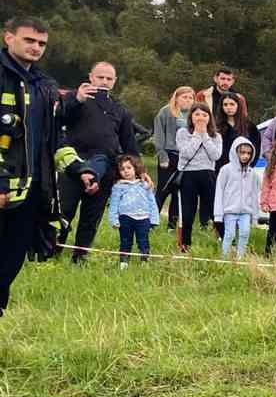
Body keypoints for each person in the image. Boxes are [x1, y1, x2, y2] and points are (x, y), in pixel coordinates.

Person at [1, 17, 95, 319]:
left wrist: (78, 168)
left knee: (8, 268)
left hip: (31, 195)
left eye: (41, 43)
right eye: (29, 40)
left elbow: (55, 139)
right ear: (8, 38)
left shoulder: (45, 86)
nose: (36, 47)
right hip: (2, 189)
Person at [57, 60, 140, 263]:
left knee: (91, 216)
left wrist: (140, 169)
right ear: (91, 77)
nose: (104, 81)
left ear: (114, 81)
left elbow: (128, 142)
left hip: (105, 168)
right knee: (64, 211)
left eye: (108, 78)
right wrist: (77, 99)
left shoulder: (120, 109)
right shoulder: (74, 97)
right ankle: (52, 251)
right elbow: (59, 119)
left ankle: (80, 256)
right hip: (74, 164)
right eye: (100, 77)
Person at [174, 103, 222, 254]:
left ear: (209, 118)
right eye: (197, 114)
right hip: (188, 175)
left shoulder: (216, 136)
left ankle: (226, 242)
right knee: (188, 213)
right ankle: (185, 246)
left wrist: (205, 135)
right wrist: (196, 134)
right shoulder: (182, 133)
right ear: (191, 117)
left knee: (215, 210)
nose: (200, 118)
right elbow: (186, 153)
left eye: (204, 115)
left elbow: (215, 155)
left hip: (207, 175)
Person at [152, 86, 194, 230]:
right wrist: (162, 156)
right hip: (168, 155)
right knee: (163, 190)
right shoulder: (165, 112)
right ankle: (152, 221)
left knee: (179, 193)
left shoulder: (194, 114)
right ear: (176, 97)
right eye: (184, 97)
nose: (187, 100)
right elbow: (158, 135)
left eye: (190, 98)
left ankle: (172, 225)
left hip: (185, 158)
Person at [106, 153, 159, 267]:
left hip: (143, 218)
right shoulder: (118, 187)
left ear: (135, 168)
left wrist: (154, 219)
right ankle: (124, 262)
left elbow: (152, 202)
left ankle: (145, 261)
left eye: (129, 168)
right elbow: (114, 204)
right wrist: (114, 220)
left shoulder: (145, 185)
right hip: (125, 218)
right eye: (122, 169)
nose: (126, 171)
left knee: (143, 241)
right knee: (125, 241)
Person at [213, 136, 260, 260]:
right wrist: (218, 214)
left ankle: (240, 258)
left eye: (249, 153)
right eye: (242, 152)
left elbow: (255, 195)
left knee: (245, 233)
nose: (246, 156)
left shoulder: (253, 174)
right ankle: (225, 258)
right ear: (235, 152)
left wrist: (255, 216)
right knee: (229, 234)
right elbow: (219, 192)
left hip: (246, 212)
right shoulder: (225, 170)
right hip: (229, 211)